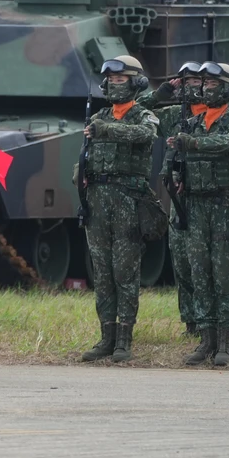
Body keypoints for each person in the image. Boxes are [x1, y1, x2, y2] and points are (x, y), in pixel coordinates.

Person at [167, 62, 229, 368]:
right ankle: (205, 340)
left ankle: (225, 344)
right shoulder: (191, 123)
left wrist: (192, 143)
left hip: (225, 208)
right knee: (200, 274)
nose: (205, 89)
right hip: (195, 207)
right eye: (203, 84)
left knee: (224, 277)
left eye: (214, 84)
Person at [77, 56, 161, 363]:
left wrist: (106, 130)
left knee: (125, 272)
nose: (114, 84)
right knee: (102, 274)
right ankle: (106, 338)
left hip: (127, 200)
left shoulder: (144, 116)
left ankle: (124, 340)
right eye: (110, 80)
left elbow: (146, 135)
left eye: (120, 79)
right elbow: (85, 156)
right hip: (98, 200)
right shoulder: (98, 115)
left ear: (136, 82)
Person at [141, 61, 206, 337]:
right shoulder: (172, 116)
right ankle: (190, 323)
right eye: (186, 81)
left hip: (205, 198)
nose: (191, 86)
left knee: (204, 264)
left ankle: (209, 323)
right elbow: (139, 110)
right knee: (181, 264)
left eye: (196, 81)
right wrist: (163, 91)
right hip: (178, 201)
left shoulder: (216, 117)